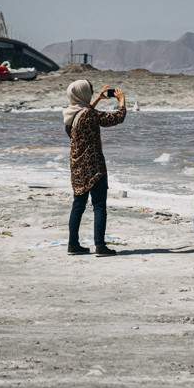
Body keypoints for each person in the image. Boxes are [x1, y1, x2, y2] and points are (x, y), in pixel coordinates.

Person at [64, 80, 126, 256]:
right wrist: (121, 100)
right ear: (83, 94)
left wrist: (98, 98)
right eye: (90, 91)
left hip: (77, 166)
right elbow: (116, 118)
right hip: (94, 167)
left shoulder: (71, 115)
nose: (92, 93)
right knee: (99, 206)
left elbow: (86, 111)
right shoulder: (89, 115)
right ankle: (100, 245)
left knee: (78, 205)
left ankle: (73, 244)